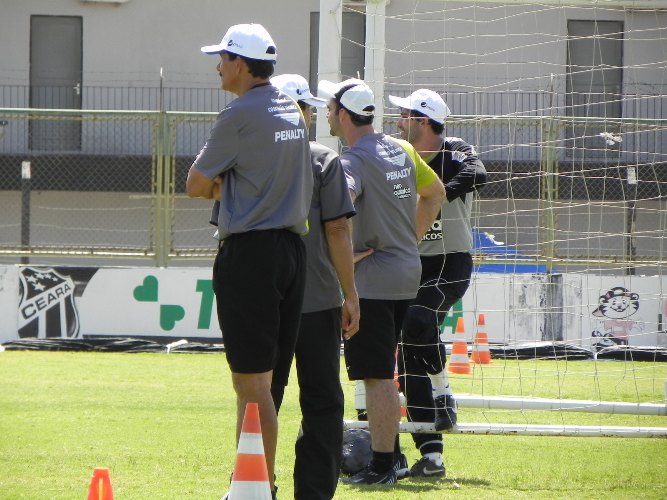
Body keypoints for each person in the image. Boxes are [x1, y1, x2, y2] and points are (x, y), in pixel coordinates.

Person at [186, 24, 312, 500]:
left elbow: (195, 185)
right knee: (264, 380)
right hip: (291, 253)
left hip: (252, 254)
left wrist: (228, 187)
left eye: (221, 57)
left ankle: (262, 487)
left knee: (251, 382)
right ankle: (248, 483)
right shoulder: (289, 109)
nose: (217, 65)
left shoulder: (238, 114)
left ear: (239, 63)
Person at [318, 78, 446, 485]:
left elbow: (338, 212)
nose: (324, 112)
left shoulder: (351, 162)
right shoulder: (402, 148)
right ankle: (392, 458)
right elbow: (436, 193)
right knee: (385, 372)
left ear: (342, 114)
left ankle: (382, 465)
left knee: (376, 376)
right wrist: (408, 239)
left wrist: (342, 254)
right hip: (407, 272)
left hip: (374, 280)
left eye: (329, 105)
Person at [268, 73, 359, 500]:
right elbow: (338, 230)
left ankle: (254, 483)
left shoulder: (251, 157)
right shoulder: (323, 159)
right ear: (304, 113)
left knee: (262, 395)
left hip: (265, 299)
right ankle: (314, 492)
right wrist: (350, 292)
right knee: (322, 400)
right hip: (318, 299)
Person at [388, 89, 487, 477]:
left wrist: (437, 194)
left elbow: (479, 174)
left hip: (449, 263)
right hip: (408, 262)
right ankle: (432, 456)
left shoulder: (455, 149)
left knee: (417, 320)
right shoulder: (397, 154)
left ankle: (444, 389)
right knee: (406, 356)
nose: (397, 122)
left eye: (404, 115)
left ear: (424, 121)